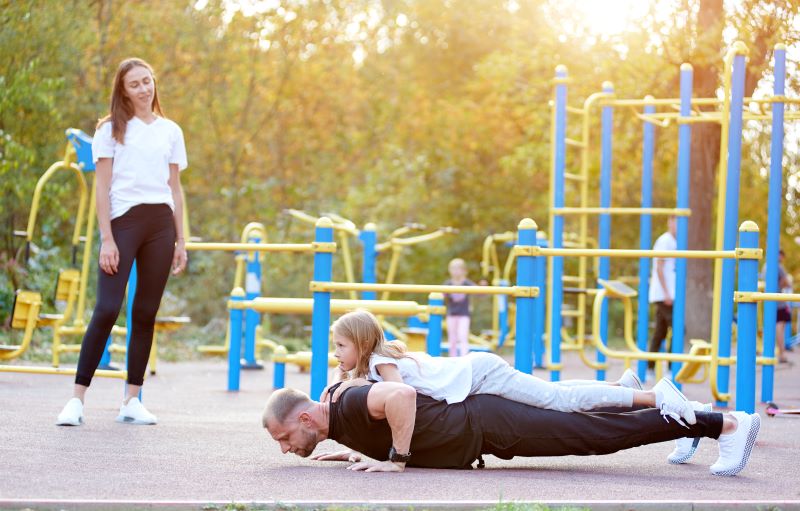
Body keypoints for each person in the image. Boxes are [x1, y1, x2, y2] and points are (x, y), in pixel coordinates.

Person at [56, 57, 188, 426]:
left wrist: (181, 240)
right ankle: (76, 400)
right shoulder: (109, 130)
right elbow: (103, 188)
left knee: (144, 313)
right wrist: (107, 239)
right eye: (135, 84)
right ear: (123, 90)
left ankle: (131, 399)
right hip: (124, 223)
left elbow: (175, 189)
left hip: (161, 224)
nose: (144, 89)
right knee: (107, 308)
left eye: (148, 81)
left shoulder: (170, 131)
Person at [263, 382, 760, 476]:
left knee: (595, 436)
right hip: (487, 431)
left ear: (305, 418)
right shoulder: (337, 420)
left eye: (285, 438)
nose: (286, 450)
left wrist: (394, 461)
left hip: (489, 422)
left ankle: (726, 424)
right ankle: (693, 417)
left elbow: (402, 397)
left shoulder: (347, 401)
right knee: (591, 426)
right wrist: (360, 452)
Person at [322, 309, 697, 424]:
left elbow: (398, 390)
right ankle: (622, 386)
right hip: (476, 372)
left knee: (557, 401)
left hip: (480, 374)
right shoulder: (376, 359)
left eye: (341, 345)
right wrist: (344, 379)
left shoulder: (382, 362)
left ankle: (652, 396)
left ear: (363, 343)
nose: (336, 353)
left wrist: (350, 386)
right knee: (556, 394)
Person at [648, 216, 677, 379]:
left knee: (660, 332)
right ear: (670, 222)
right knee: (678, 328)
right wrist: (666, 292)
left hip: (669, 294)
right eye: (675, 221)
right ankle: (671, 368)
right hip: (663, 295)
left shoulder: (675, 242)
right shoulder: (665, 241)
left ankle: (650, 367)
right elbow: (659, 267)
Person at [762, 249, 791, 363]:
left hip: (768, 299)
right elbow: (786, 282)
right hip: (778, 299)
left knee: (771, 325)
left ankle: (769, 351)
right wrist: (781, 284)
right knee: (780, 326)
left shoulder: (765, 266)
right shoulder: (778, 267)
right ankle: (782, 352)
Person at [443, 258, 476, 357]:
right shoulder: (448, 283)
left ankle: (464, 357)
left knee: (462, 335)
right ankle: (452, 358)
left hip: (464, 314)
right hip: (451, 314)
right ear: (450, 270)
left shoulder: (467, 283)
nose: (456, 271)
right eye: (453, 268)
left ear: (464, 271)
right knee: (452, 338)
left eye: (458, 269)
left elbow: (479, 292)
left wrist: (483, 288)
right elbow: (441, 295)